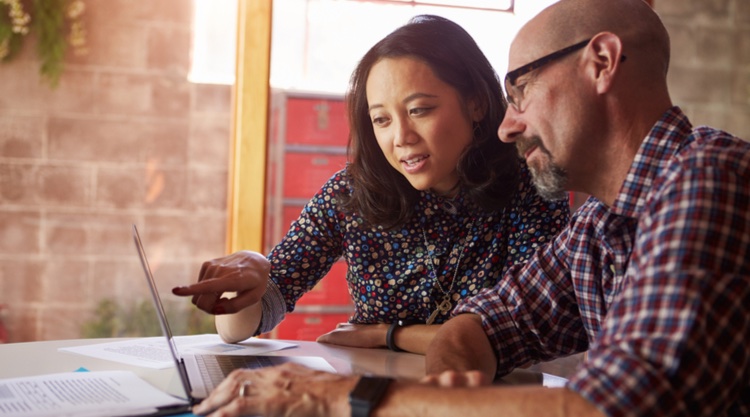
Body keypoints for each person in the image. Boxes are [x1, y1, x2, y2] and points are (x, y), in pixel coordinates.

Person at [188, 0, 750, 416]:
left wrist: (345, 397)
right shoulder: (599, 225)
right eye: (381, 119)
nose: (510, 125)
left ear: (601, 62)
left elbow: (612, 406)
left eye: (522, 90)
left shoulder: (707, 176)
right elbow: (485, 324)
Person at [172, 15, 569, 355]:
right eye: (382, 119)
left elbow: (528, 330)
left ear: (476, 103)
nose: (401, 137)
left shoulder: (529, 185)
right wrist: (253, 275)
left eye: (419, 110)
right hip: (374, 396)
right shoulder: (353, 192)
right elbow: (241, 328)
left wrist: (389, 336)